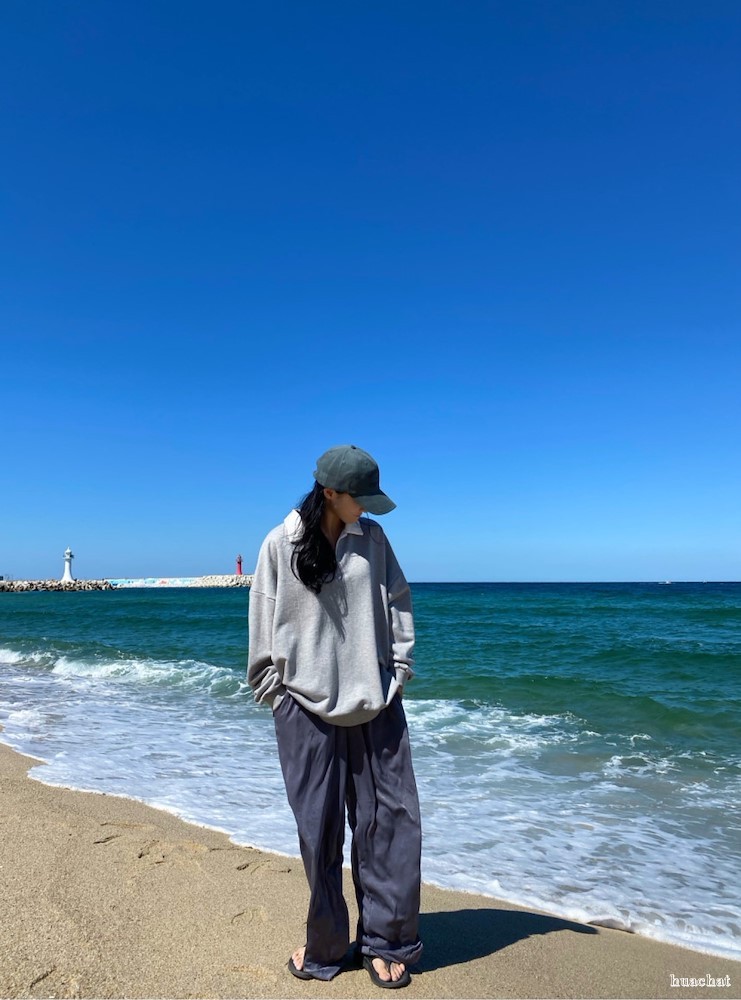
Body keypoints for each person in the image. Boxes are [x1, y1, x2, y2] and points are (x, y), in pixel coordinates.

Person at [247, 444, 423, 989]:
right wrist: (276, 692)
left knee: (391, 827)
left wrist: (398, 670)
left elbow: (397, 599)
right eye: (359, 498)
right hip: (305, 711)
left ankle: (386, 942)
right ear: (329, 493)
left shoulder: (374, 538)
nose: (366, 508)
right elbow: (262, 622)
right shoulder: (280, 544)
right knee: (318, 836)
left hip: (377, 707)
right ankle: (325, 945)